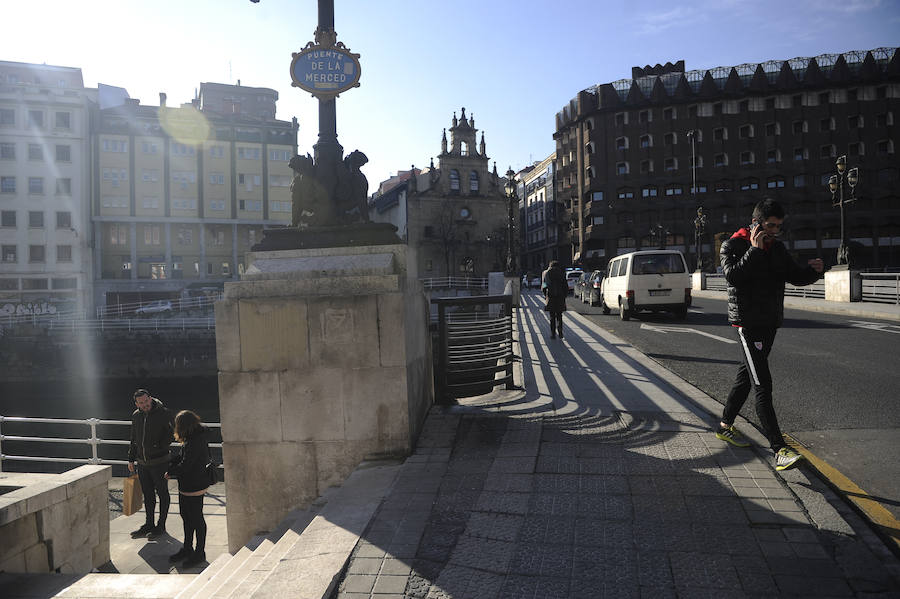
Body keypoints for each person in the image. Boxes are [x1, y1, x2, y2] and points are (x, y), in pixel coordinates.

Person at [716, 198, 824, 471]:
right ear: (756, 223)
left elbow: (794, 275)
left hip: (769, 323)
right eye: (771, 226)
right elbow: (733, 277)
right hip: (747, 324)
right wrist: (754, 249)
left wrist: (813, 272)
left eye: (779, 227)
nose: (775, 231)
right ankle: (779, 449)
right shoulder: (733, 245)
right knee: (762, 384)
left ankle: (725, 425)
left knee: (745, 377)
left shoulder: (777, 248)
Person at [165, 410, 211, 568]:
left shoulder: (195, 441)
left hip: (194, 485)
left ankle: (199, 553)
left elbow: (186, 465)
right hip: (189, 484)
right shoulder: (194, 437)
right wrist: (171, 462)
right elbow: (184, 457)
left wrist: (170, 471)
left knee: (196, 518)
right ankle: (187, 548)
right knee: (186, 516)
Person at [127, 389, 174, 539]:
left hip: (160, 462)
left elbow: (171, 434)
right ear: (137, 404)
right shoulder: (136, 416)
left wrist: (159, 446)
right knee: (147, 495)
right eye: (141, 403)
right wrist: (130, 459)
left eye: (146, 401)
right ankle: (149, 524)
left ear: (150, 398)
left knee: (163, 493)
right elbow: (134, 439)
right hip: (142, 463)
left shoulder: (164, 413)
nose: (145, 404)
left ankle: (161, 525)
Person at [542, 260, 568, 339]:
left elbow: (544, 285)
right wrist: (564, 295)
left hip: (551, 297)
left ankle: (553, 334)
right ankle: (560, 332)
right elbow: (565, 286)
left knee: (552, 317)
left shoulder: (547, 273)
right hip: (560, 297)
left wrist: (545, 295)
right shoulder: (562, 273)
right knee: (559, 316)